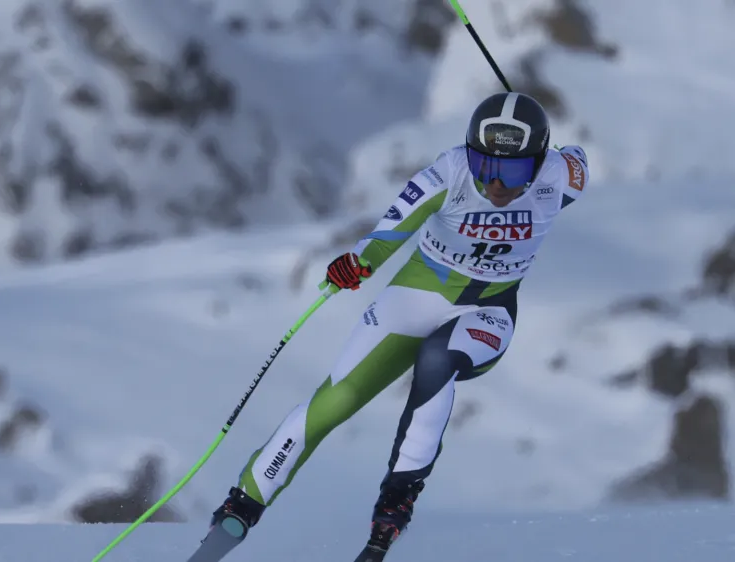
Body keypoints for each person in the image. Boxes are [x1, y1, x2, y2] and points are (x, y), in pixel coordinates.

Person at [209, 91, 590, 553]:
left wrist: (552, 151)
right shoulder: (447, 174)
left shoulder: (561, 178)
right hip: (414, 299)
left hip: (487, 312)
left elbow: (576, 158)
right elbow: (390, 231)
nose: (495, 185)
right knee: (338, 397)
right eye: (484, 166)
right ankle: (243, 504)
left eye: (511, 171)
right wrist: (358, 263)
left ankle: (396, 502)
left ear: (538, 162)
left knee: (437, 360)